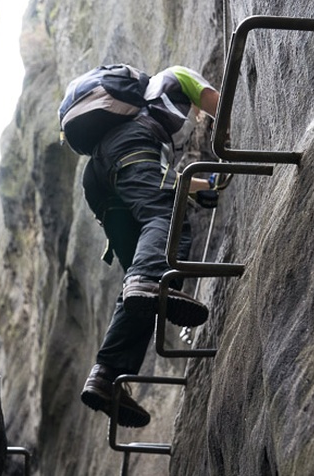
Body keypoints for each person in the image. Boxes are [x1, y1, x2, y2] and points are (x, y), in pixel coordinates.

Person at [74, 65, 228, 428]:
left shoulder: (134, 116)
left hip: (99, 177)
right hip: (131, 149)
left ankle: (107, 375)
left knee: (138, 287)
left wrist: (204, 184)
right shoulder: (178, 76)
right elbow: (220, 103)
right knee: (167, 226)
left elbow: (155, 181)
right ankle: (147, 280)